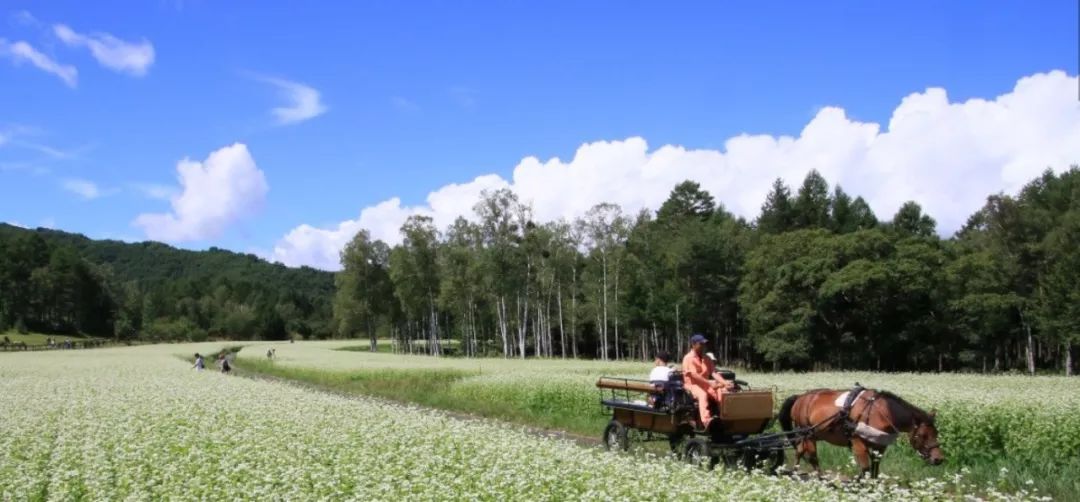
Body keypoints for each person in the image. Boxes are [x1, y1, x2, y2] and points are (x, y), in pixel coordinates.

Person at [681, 334, 733, 429]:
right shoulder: (688, 358)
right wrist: (709, 383)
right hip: (692, 385)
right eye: (701, 344)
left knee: (721, 391)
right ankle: (706, 421)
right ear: (693, 344)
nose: (703, 346)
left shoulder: (707, 358)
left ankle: (724, 416)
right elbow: (694, 375)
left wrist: (725, 383)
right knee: (703, 394)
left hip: (705, 384)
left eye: (704, 344)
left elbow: (713, 372)